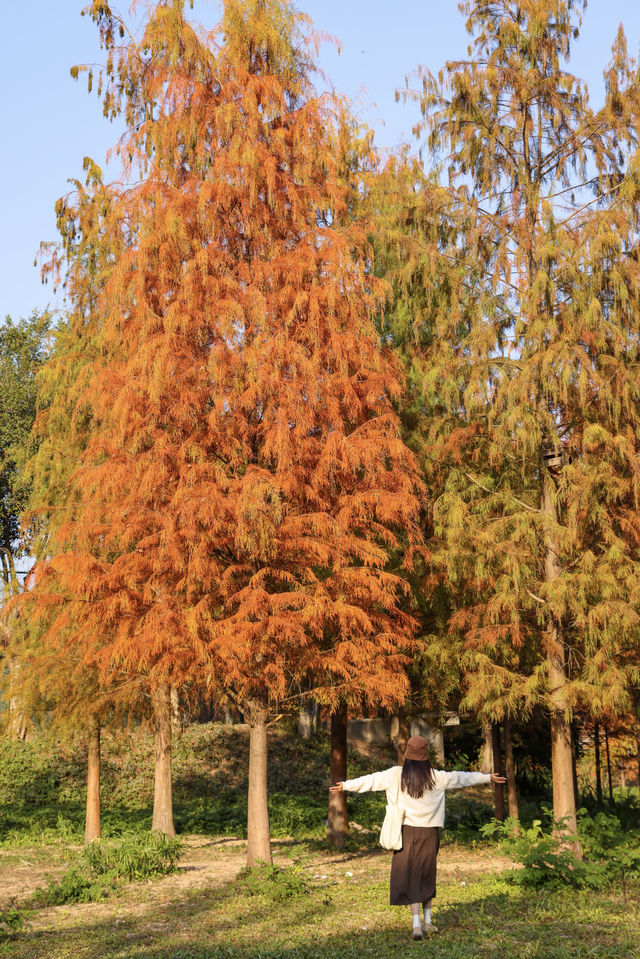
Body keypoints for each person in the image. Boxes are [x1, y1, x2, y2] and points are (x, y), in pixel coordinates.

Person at [329, 735, 506, 941]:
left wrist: (345, 785)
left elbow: (371, 781)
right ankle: (428, 921)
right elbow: (461, 777)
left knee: (411, 876)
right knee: (426, 875)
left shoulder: (396, 774)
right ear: (426, 756)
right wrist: (487, 777)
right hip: (429, 833)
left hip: (405, 832)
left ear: (408, 755)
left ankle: (416, 924)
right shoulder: (436, 777)